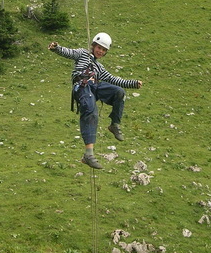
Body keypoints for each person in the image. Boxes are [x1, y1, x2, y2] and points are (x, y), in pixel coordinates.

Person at [48, 32, 143, 169]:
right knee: (91, 110)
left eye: (104, 50)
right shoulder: (82, 54)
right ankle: (88, 154)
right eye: (99, 47)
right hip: (82, 86)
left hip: (95, 87)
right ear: (93, 46)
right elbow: (69, 53)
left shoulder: (100, 68)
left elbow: (114, 80)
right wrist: (56, 48)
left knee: (119, 92)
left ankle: (114, 124)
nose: (101, 51)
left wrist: (133, 83)